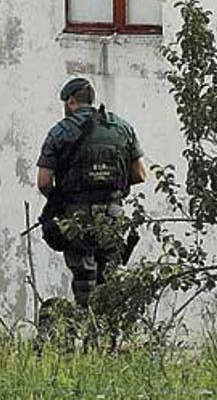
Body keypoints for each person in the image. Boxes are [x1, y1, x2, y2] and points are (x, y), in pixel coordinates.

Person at [36, 77, 146, 308]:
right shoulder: (122, 127)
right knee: (110, 278)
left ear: (71, 102)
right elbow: (140, 175)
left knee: (84, 280)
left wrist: (59, 200)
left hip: (77, 218)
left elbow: (44, 182)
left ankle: (87, 330)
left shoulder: (59, 132)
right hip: (113, 216)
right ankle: (109, 334)